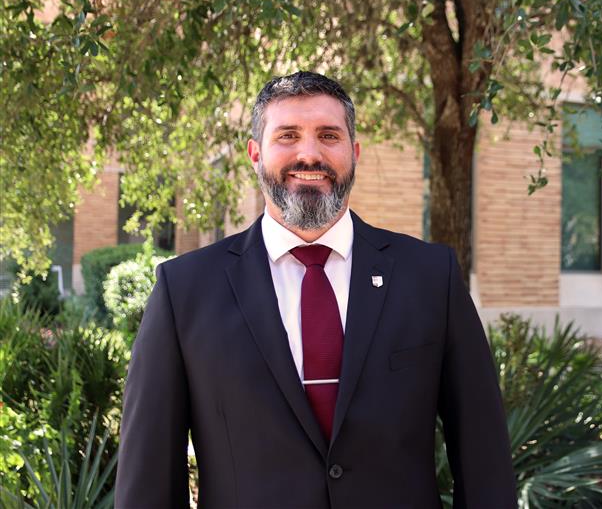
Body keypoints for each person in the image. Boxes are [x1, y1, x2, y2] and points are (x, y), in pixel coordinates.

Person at [115, 71, 516, 508]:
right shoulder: (184, 292)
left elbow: (483, 458)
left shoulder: (430, 277)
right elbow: (148, 480)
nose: (310, 154)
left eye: (329, 136)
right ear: (255, 153)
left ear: (354, 152)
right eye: (287, 136)